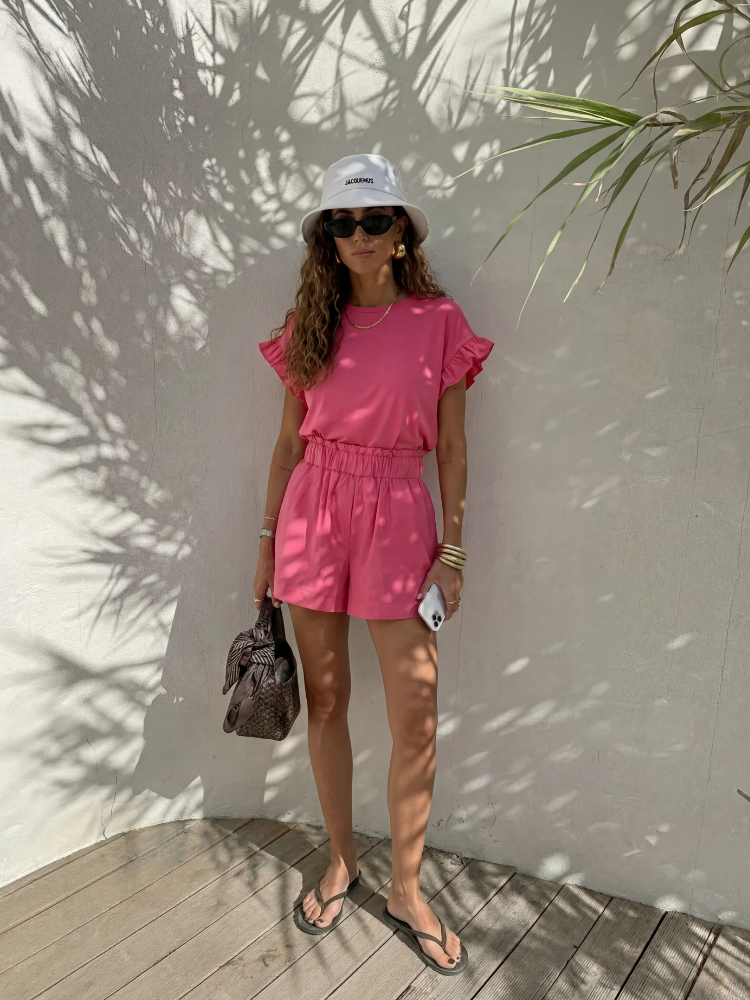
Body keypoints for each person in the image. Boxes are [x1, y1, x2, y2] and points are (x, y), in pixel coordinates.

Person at [255, 153, 493, 976]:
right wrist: (264, 545)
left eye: (374, 218)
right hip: (313, 513)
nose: (358, 233)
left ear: (400, 233)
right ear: (327, 236)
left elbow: (453, 449)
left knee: (415, 718)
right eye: (342, 222)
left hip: (398, 514)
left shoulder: (439, 322)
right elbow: (287, 446)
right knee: (327, 700)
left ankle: (406, 887)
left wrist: (451, 554)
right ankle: (340, 860)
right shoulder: (309, 323)